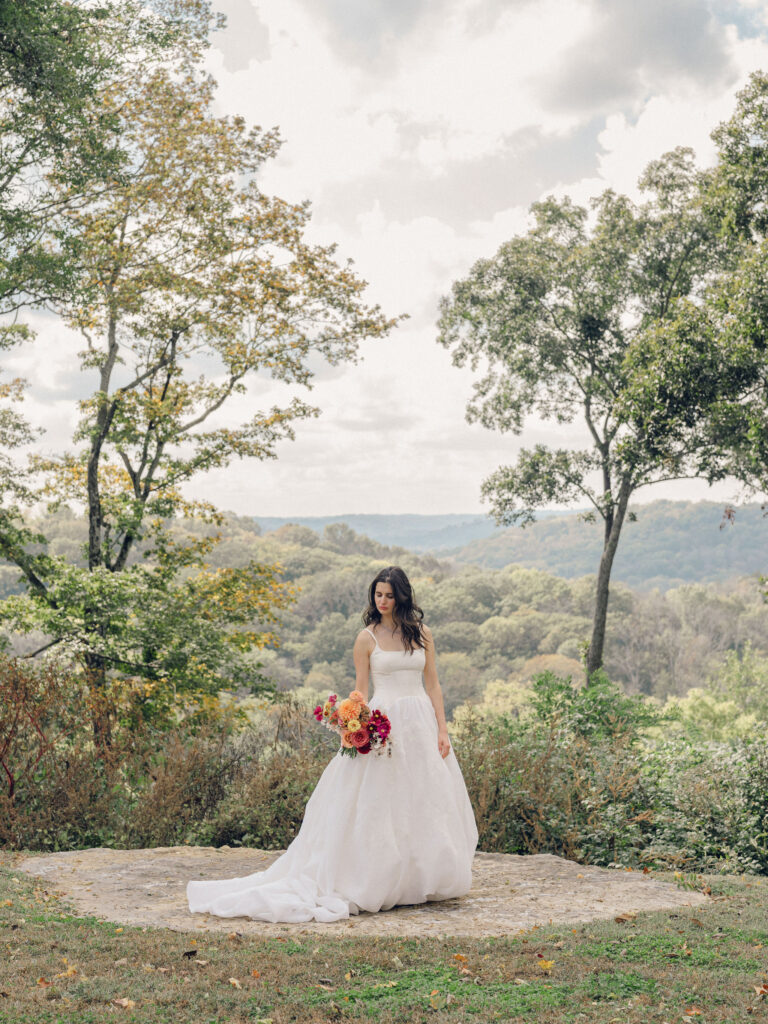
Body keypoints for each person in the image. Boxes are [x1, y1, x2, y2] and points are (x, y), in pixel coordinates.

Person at [186, 565, 479, 923]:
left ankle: (422, 877)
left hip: (420, 721)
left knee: (424, 798)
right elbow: (361, 691)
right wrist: (355, 723)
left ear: (402, 596)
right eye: (377, 594)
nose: (382, 601)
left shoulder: (423, 635)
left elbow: (433, 685)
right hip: (385, 723)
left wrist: (442, 730)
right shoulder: (366, 638)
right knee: (381, 801)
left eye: (389, 595)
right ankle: (378, 876)